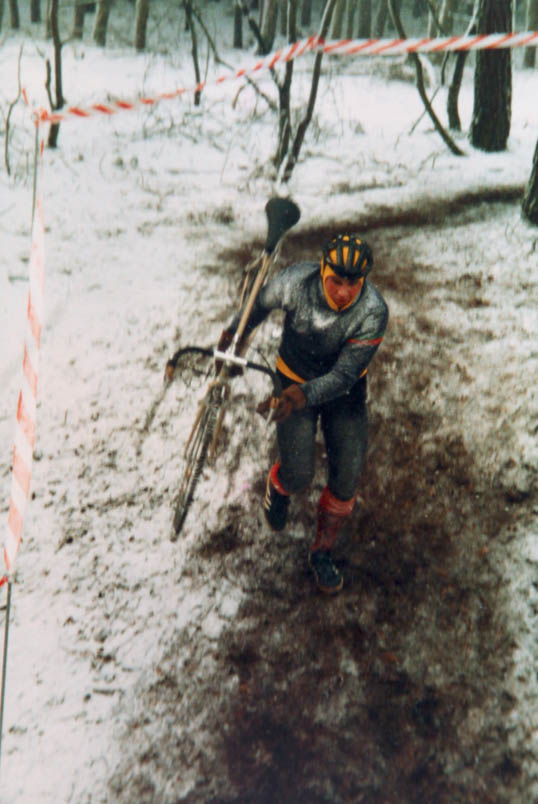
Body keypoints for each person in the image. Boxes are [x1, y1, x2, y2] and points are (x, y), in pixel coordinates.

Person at [218, 234, 389, 594]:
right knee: (298, 475)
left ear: (364, 282)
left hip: (344, 394)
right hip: (292, 377)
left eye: (353, 284)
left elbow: (343, 376)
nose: (344, 292)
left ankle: (322, 552)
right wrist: (234, 334)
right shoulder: (296, 282)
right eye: (336, 281)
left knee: (346, 480)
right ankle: (278, 486)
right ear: (323, 271)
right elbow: (258, 304)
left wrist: (300, 397)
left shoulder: (373, 310)